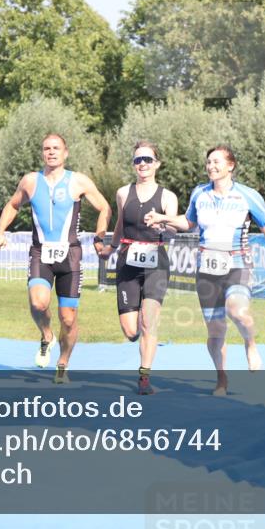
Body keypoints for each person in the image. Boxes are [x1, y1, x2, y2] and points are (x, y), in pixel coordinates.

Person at [144, 145, 265, 396]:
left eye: (217, 162)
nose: (211, 166)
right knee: (215, 330)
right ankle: (222, 379)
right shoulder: (199, 193)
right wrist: (163, 218)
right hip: (206, 268)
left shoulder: (247, 196)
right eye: (208, 163)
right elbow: (188, 223)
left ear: (230, 166)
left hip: (237, 264)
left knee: (238, 312)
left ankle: (250, 343)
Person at [0, 133, 111, 385]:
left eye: (56, 148)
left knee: (68, 318)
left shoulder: (78, 181)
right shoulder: (31, 181)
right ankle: (47, 336)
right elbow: (13, 205)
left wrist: (100, 236)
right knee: (38, 303)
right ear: (42, 153)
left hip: (70, 255)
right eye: (47, 148)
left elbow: (104, 207)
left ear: (65, 153)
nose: (51, 152)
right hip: (40, 253)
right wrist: (0, 231)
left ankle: (63, 362)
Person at [97, 141, 178, 395]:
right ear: (134, 165)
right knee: (131, 330)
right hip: (128, 262)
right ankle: (140, 339)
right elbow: (121, 224)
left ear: (157, 164)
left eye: (147, 159)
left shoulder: (167, 196)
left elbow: (174, 229)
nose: (142, 164)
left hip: (156, 262)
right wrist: (110, 247)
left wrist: (162, 225)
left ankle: (144, 377)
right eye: (137, 160)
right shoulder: (123, 193)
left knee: (148, 322)